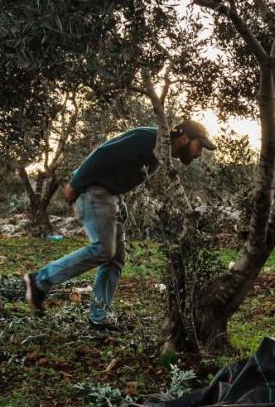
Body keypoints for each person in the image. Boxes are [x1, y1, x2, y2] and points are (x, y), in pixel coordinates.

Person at [23, 121, 215, 327]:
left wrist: (119, 203)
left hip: (110, 195)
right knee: (103, 249)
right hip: (93, 190)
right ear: (185, 138)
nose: (199, 153)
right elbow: (103, 154)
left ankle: (99, 317)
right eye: (199, 146)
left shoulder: (161, 153)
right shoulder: (149, 138)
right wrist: (76, 183)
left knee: (115, 258)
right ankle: (40, 280)